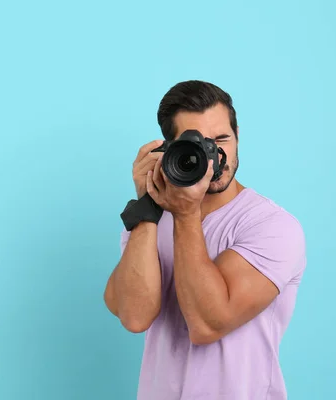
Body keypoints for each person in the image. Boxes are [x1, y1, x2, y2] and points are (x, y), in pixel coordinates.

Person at [103, 80, 307, 400]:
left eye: (222, 139)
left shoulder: (274, 227)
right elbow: (134, 315)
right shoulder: (151, 221)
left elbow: (208, 325)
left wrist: (185, 214)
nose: (214, 155)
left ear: (238, 137)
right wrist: (147, 206)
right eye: (197, 144)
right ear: (169, 149)